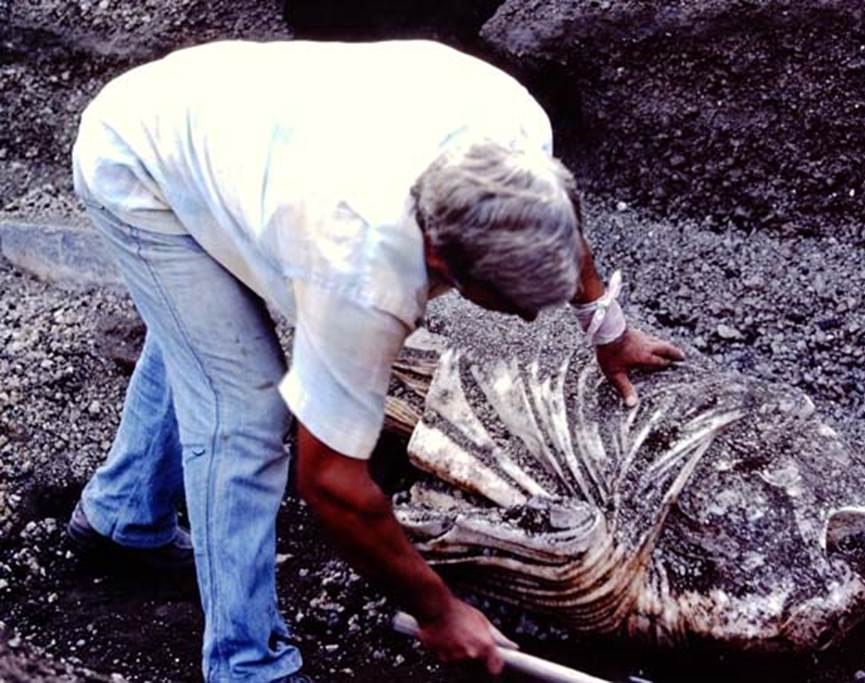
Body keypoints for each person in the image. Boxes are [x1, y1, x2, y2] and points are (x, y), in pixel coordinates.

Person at [67, 39, 684, 682]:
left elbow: (557, 226)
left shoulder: (515, 137)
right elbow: (330, 480)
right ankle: (246, 666)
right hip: (140, 159)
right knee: (242, 408)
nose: (533, 317)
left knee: (207, 338)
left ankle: (123, 515)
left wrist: (605, 327)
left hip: (239, 129)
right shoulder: (359, 271)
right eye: (514, 302)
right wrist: (438, 610)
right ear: (442, 264)